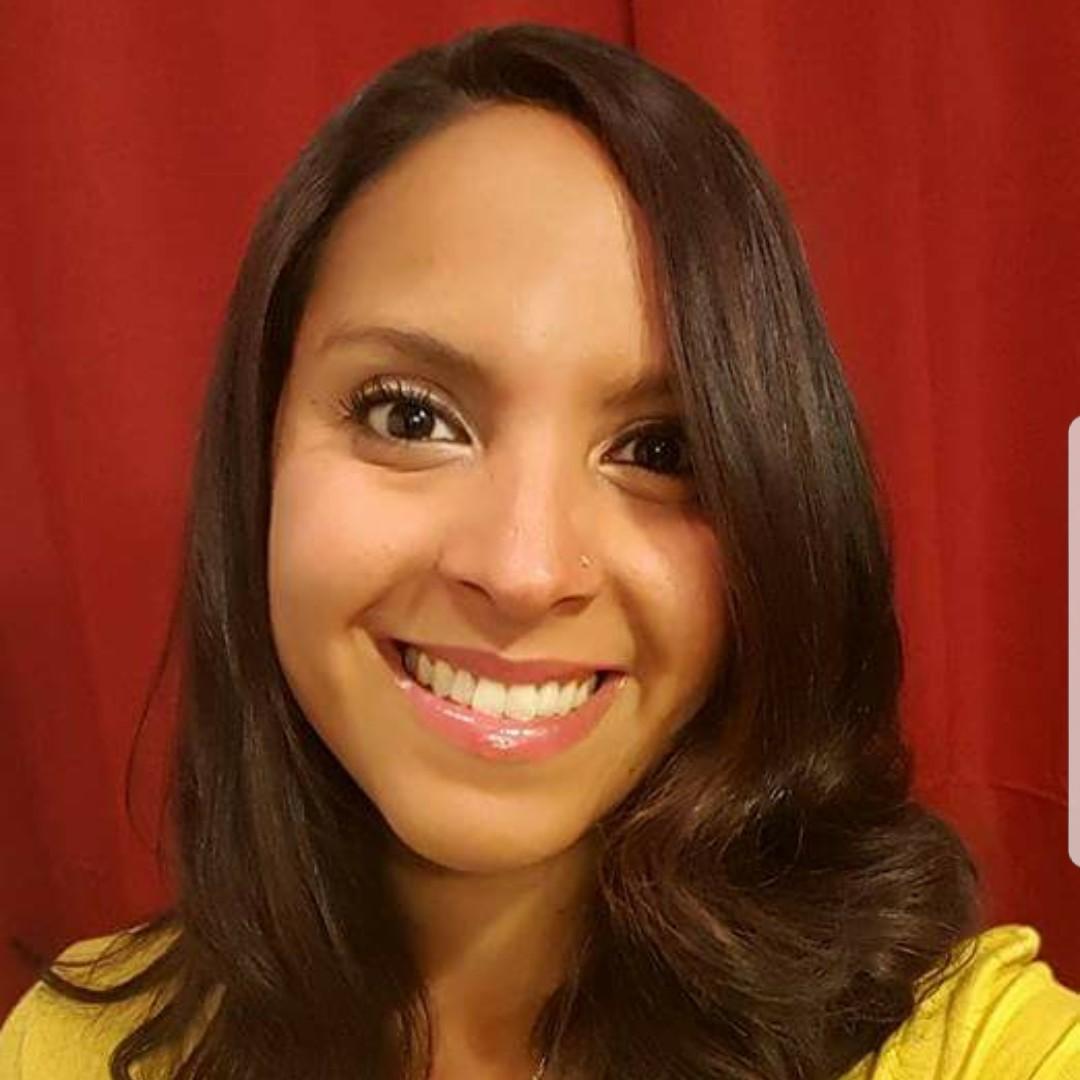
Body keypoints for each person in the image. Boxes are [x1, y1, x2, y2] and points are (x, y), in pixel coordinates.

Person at [1, 20, 1077, 1080]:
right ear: (260, 453)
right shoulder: (69, 1053)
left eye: (659, 450)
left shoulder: (971, 1051)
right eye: (411, 416)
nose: (522, 570)